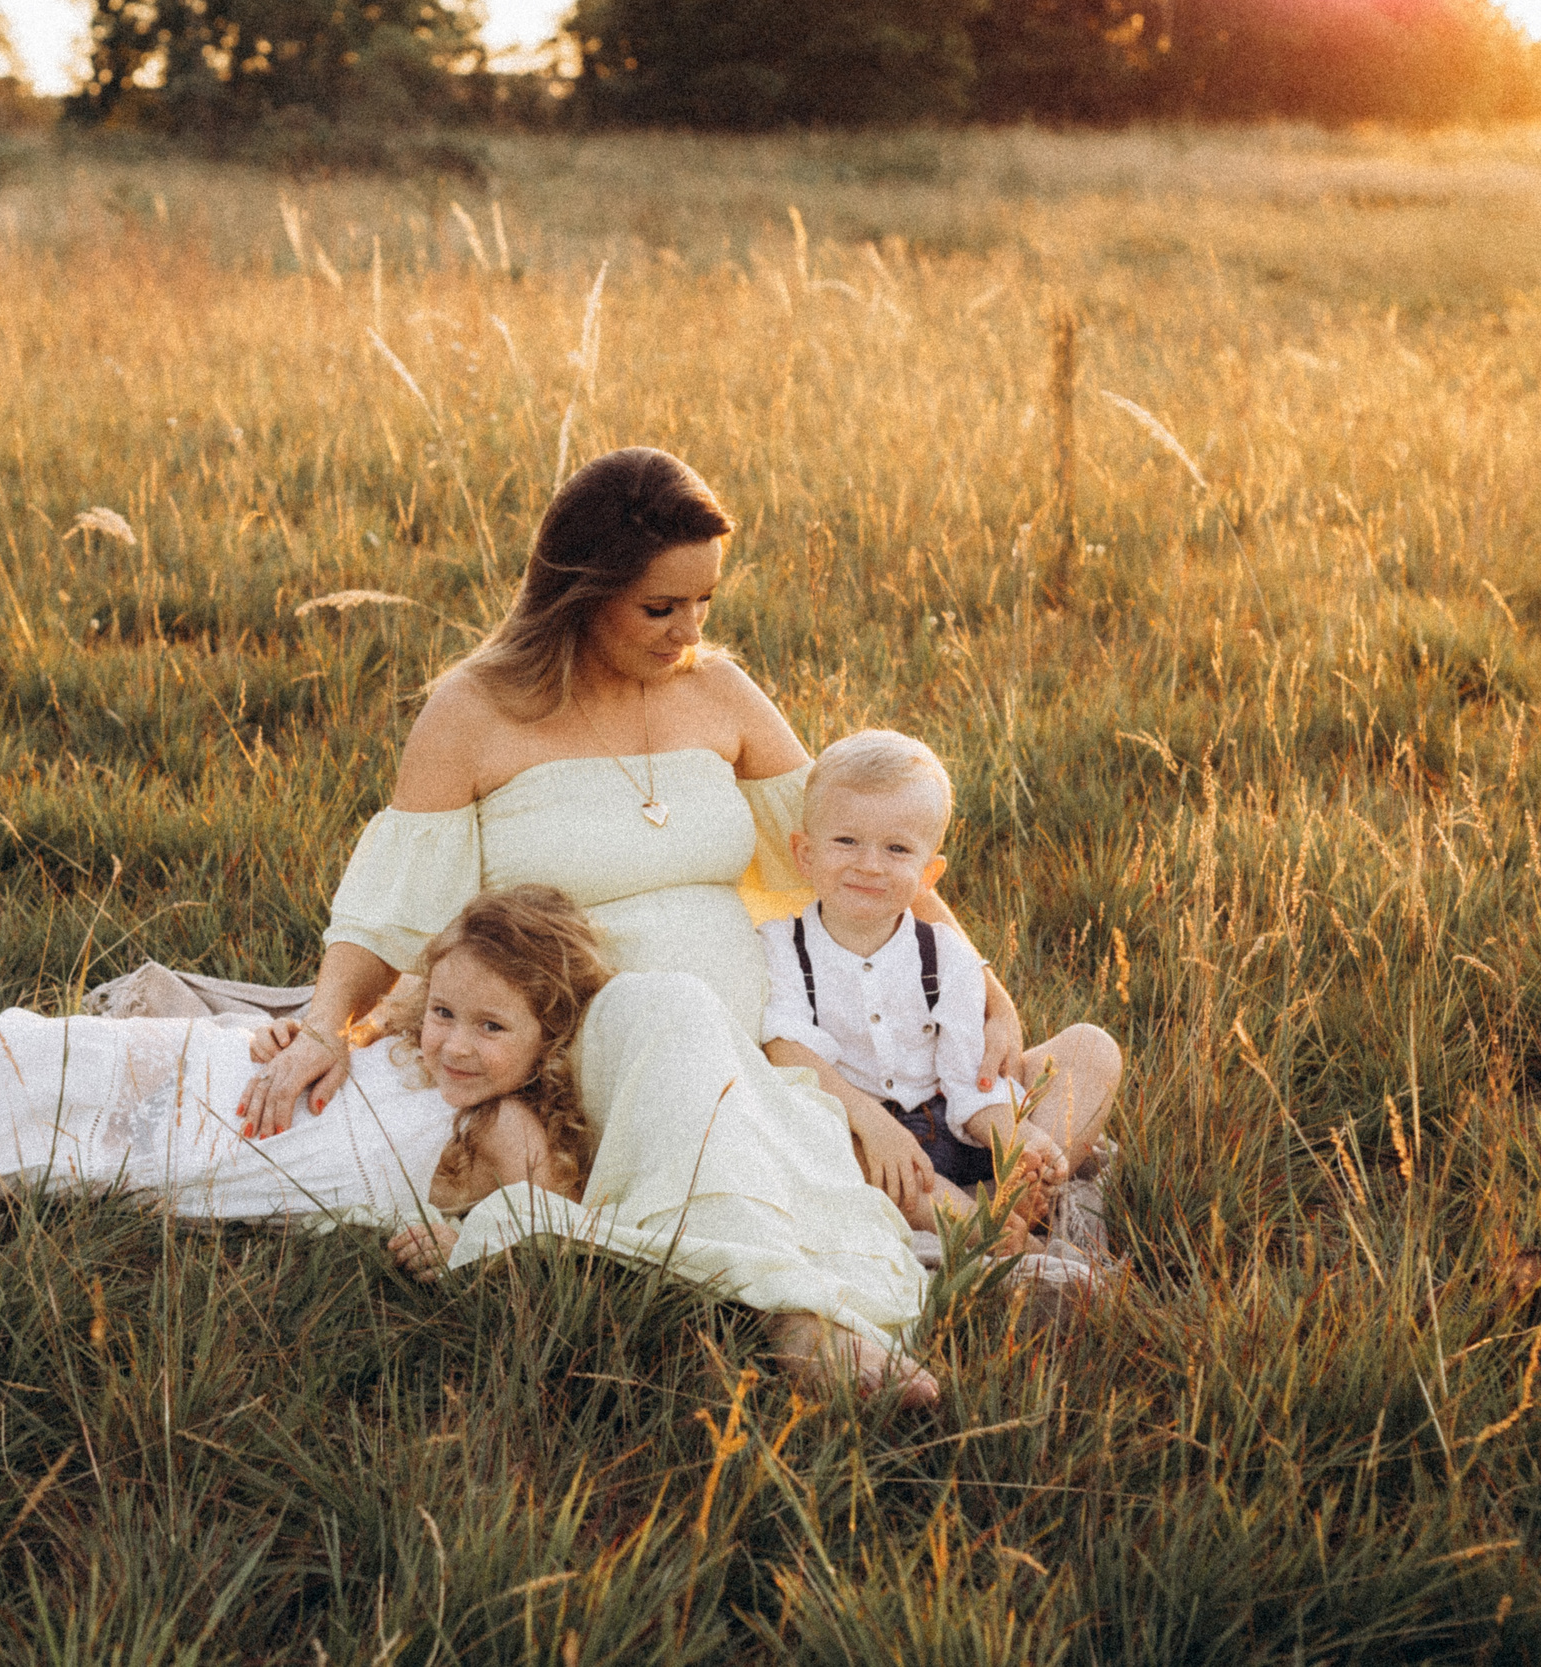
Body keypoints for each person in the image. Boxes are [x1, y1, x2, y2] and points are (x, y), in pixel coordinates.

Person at [235, 447, 1035, 1399]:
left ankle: (814, 1262)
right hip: (580, 1028)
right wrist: (325, 1023)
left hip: (755, 1031)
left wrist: (984, 989)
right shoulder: (475, 711)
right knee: (667, 1007)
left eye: (704, 602)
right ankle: (800, 1322)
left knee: (752, 1067)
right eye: (661, 607)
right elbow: (391, 903)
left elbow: (856, 848)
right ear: (582, 591)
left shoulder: (719, 692)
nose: (688, 631)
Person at [0, 888, 608, 1242]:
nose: (453, 1045)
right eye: (444, 1012)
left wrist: (455, 1245)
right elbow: (354, 1044)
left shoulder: (504, 1125)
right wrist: (297, 1037)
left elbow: (558, 1234)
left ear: (550, 1037)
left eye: (491, 1027)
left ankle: (4, 1109)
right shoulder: (412, 1040)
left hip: (230, 1150)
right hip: (229, 1078)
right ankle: (23, 1075)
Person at [757, 730, 1121, 1245]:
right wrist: (873, 1125)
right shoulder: (780, 945)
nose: (869, 864)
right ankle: (979, 1226)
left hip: (960, 1125)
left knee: (1092, 1048)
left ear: (928, 874)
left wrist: (1011, 1134)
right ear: (805, 854)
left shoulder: (944, 952)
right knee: (832, 1150)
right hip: (873, 1144)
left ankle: (1013, 1188)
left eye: (897, 848)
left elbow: (969, 1072)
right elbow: (788, 1049)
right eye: (846, 841)